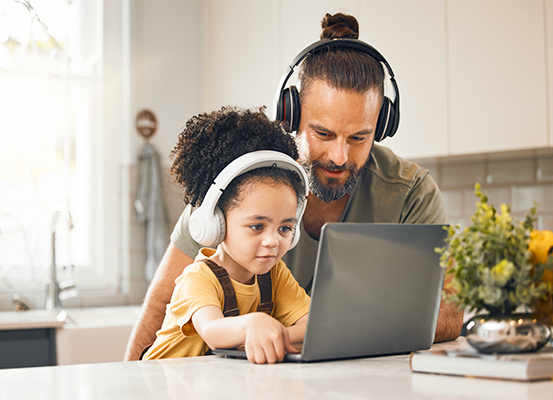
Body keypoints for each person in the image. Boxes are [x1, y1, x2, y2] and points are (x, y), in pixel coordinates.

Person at [125, 12, 462, 361]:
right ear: (291, 115)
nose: (339, 156)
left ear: (382, 125)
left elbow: (450, 310)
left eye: (359, 137)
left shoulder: (411, 192)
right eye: (323, 134)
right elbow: (162, 304)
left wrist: (317, 330)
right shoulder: (235, 181)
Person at [141, 107, 311, 364]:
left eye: (285, 228)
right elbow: (212, 332)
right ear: (216, 223)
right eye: (257, 226)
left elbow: (314, 323)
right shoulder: (197, 279)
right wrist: (254, 325)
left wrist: (277, 335)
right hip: (160, 385)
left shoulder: (274, 276)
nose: (273, 241)